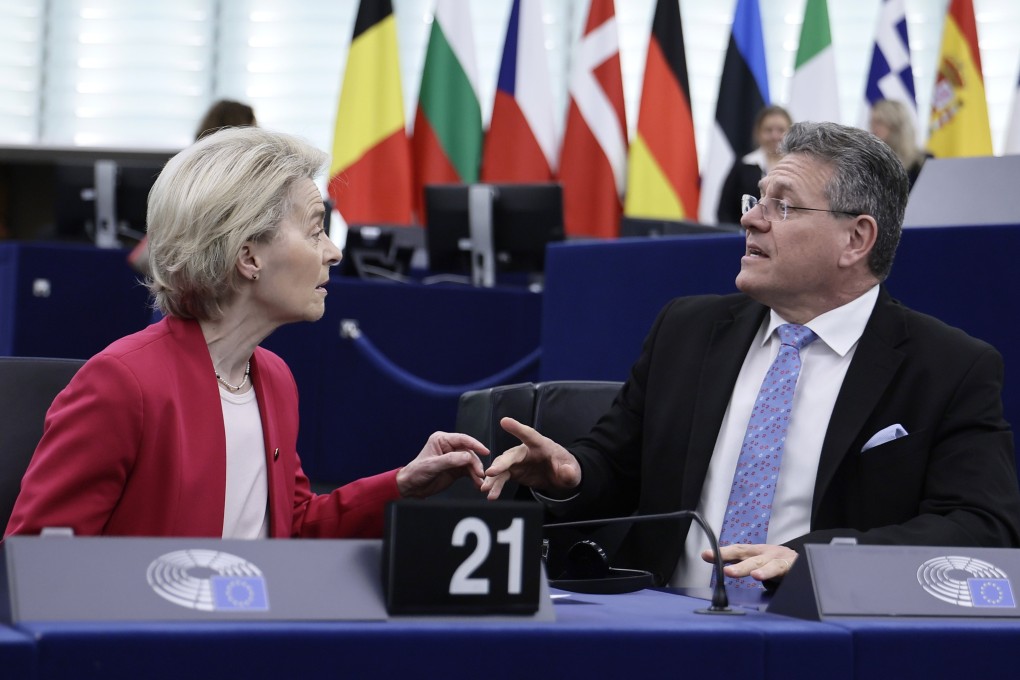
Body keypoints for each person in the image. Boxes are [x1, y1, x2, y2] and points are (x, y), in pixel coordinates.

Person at [482, 121, 1020, 590]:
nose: (752, 219)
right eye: (756, 199)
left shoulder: (948, 367)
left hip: (826, 639)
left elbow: (981, 525)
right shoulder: (687, 331)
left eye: (781, 205)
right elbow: (615, 466)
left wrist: (814, 561)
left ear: (856, 239)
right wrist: (569, 473)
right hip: (667, 626)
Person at [5, 127, 488, 538]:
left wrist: (403, 483)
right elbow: (36, 565)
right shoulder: (122, 383)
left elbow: (290, 527)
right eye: (316, 229)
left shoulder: (273, 378)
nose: (333, 253)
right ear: (249, 256)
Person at [128, 99, 258, 277]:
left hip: (184, 287)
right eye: (255, 128)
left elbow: (145, 257)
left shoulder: (185, 174)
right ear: (242, 133)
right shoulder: (237, 186)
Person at [716, 105, 792, 225]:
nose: (774, 136)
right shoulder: (742, 166)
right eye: (768, 130)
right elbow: (724, 212)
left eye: (781, 130)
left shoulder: (799, 168)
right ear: (758, 133)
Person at [868, 99, 928, 190]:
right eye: (872, 122)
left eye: (879, 122)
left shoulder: (923, 162)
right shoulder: (870, 163)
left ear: (896, 126)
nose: (873, 129)